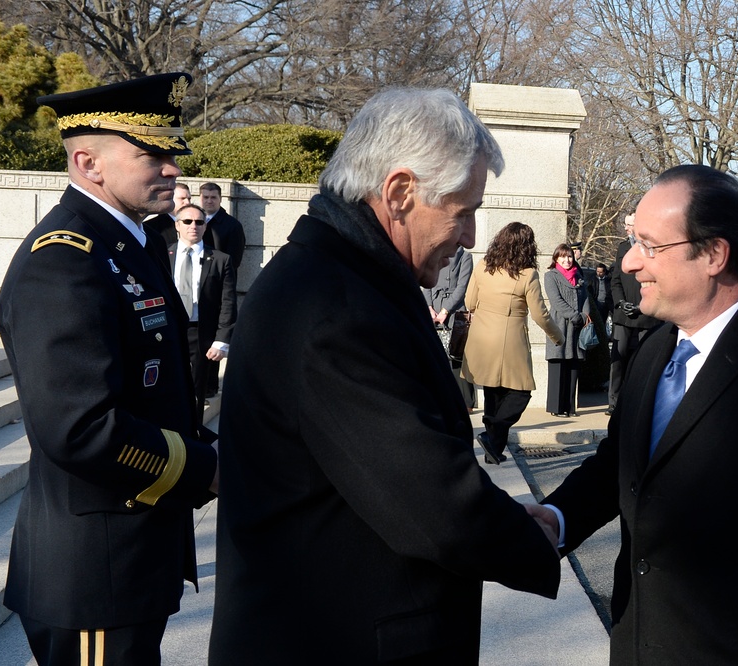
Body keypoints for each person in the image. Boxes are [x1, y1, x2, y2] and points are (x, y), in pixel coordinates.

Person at [209, 88, 560, 665]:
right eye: (462, 211)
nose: (470, 236)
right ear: (399, 193)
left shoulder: (344, 279)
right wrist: (530, 539)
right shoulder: (336, 307)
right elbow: (429, 502)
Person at [534, 165, 738, 664]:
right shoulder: (654, 350)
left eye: (649, 245)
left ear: (713, 254)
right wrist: (555, 518)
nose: (628, 263)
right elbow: (620, 468)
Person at [0, 73, 219, 666]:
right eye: (153, 154)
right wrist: (206, 468)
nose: (173, 168)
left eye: (172, 153)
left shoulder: (129, 245)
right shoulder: (65, 261)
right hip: (96, 571)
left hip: (130, 555)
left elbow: (156, 392)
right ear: (89, 162)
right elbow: (81, 428)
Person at [462, 222, 564, 464]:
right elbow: (540, 314)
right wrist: (557, 337)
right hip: (510, 340)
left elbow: (469, 302)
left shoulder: (483, 266)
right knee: (520, 393)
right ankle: (492, 432)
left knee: (493, 394)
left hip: (481, 337)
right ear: (527, 246)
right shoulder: (527, 274)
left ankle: (493, 452)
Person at [167, 203, 237, 414]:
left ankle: (194, 434)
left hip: (201, 332)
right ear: (177, 225)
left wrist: (222, 340)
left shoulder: (220, 260)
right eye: (187, 221)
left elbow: (228, 302)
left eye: (199, 222)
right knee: (168, 385)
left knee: (197, 389)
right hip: (169, 329)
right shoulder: (161, 253)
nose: (193, 226)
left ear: (206, 226)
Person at [607, 212, 662, 415]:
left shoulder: (652, 248)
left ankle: (638, 399)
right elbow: (615, 280)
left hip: (645, 315)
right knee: (618, 359)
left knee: (643, 359)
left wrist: (642, 307)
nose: (628, 228)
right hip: (623, 315)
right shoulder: (623, 248)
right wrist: (620, 303)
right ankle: (614, 401)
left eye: (631, 224)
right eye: (626, 224)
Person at [198, 181, 246, 398]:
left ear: (220, 199)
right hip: (192, 285)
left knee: (213, 336)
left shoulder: (231, 225)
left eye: (213, 197)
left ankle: (210, 386)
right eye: (205, 197)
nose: (209, 200)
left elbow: (234, 259)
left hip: (218, 287)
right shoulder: (193, 220)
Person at [423, 245, 476, 411]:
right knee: (438, 356)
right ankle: (441, 399)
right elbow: (426, 282)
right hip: (434, 310)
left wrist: (446, 310)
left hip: (454, 311)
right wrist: (430, 307)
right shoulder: (435, 253)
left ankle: (466, 402)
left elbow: (462, 287)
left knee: (458, 357)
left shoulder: (465, 257)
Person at [544, 243, 590, 417]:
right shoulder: (551, 276)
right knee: (558, 364)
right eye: (563, 256)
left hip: (577, 327)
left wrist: (584, 316)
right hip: (559, 325)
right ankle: (556, 407)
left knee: (573, 365)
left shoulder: (579, 276)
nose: (567, 260)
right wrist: (573, 315)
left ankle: (569, 407)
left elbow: (585, 299)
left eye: (569, 256)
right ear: (556, 258)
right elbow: (556, 301)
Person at [146, 182, 192, 248]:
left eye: (189, 199)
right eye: (182, 198)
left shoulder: (198, 225)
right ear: (170, 198)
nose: (187, 202)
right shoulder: (151, 227)